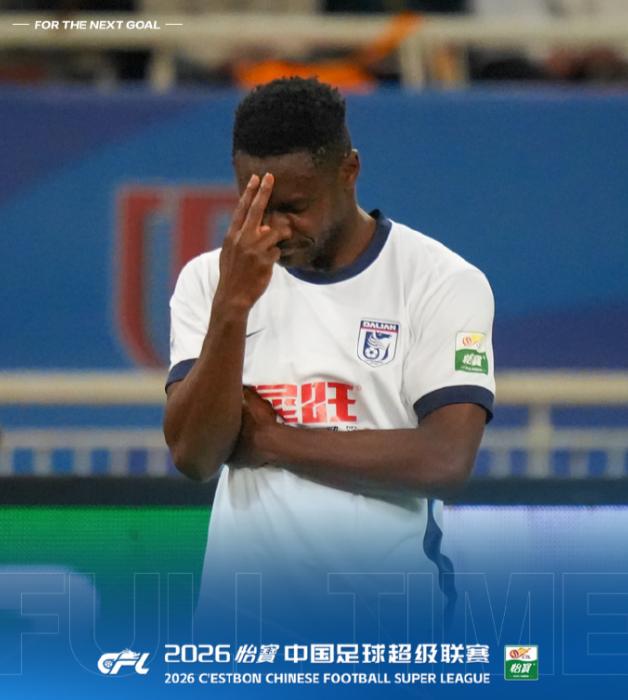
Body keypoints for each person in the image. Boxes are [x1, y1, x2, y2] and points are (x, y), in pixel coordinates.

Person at [163, 76, 495, 640]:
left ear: (349, 170)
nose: (274, 228)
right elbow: (195, 456)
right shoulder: (209, 281)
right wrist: (233, 306)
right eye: (256, 204)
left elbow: (444, 460)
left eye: (295, 207)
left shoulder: (440, 282)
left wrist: (271, 440)